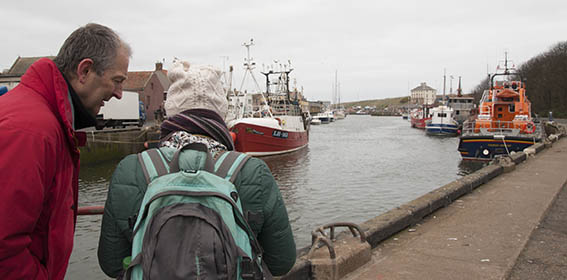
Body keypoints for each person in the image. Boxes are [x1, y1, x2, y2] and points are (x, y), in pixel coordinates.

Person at [97, 60, 296, 278]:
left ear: (171, 108)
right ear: (220, 111)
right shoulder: (252, 171)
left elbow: (112, 264)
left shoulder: (132, 169)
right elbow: (281, 262)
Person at [0, 23, 131, 279]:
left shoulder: (43, 122)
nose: (118, 93)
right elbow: (5, 249)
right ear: (85, 70)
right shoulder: (31, 132)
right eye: (116, 81)